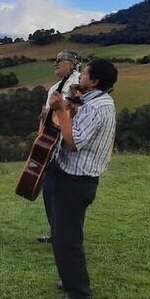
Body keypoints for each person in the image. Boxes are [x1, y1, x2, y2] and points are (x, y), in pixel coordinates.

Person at [47, 58, 117, 299]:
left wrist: (60, 111)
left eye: (84, 74)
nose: (79, 78)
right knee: (62, 233)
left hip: (76, 180)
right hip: (72, 176)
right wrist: (73, 103)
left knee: (68, 238)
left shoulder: (99, 107)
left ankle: (80, 294)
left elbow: (73, 141)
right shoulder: (95, 101)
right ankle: (70, 280)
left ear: (95, 81)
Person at [37, 50, 82, 244]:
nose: (55, 64)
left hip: (72, 143)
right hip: (52, 145)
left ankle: (70, 236)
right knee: (49, 190)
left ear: (72, 64)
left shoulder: (79, 83)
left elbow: (79, 110)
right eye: (54, 60)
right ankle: (56, 232)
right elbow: (48, 116)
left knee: (69, 194)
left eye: (60, 61)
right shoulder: (54, 87)